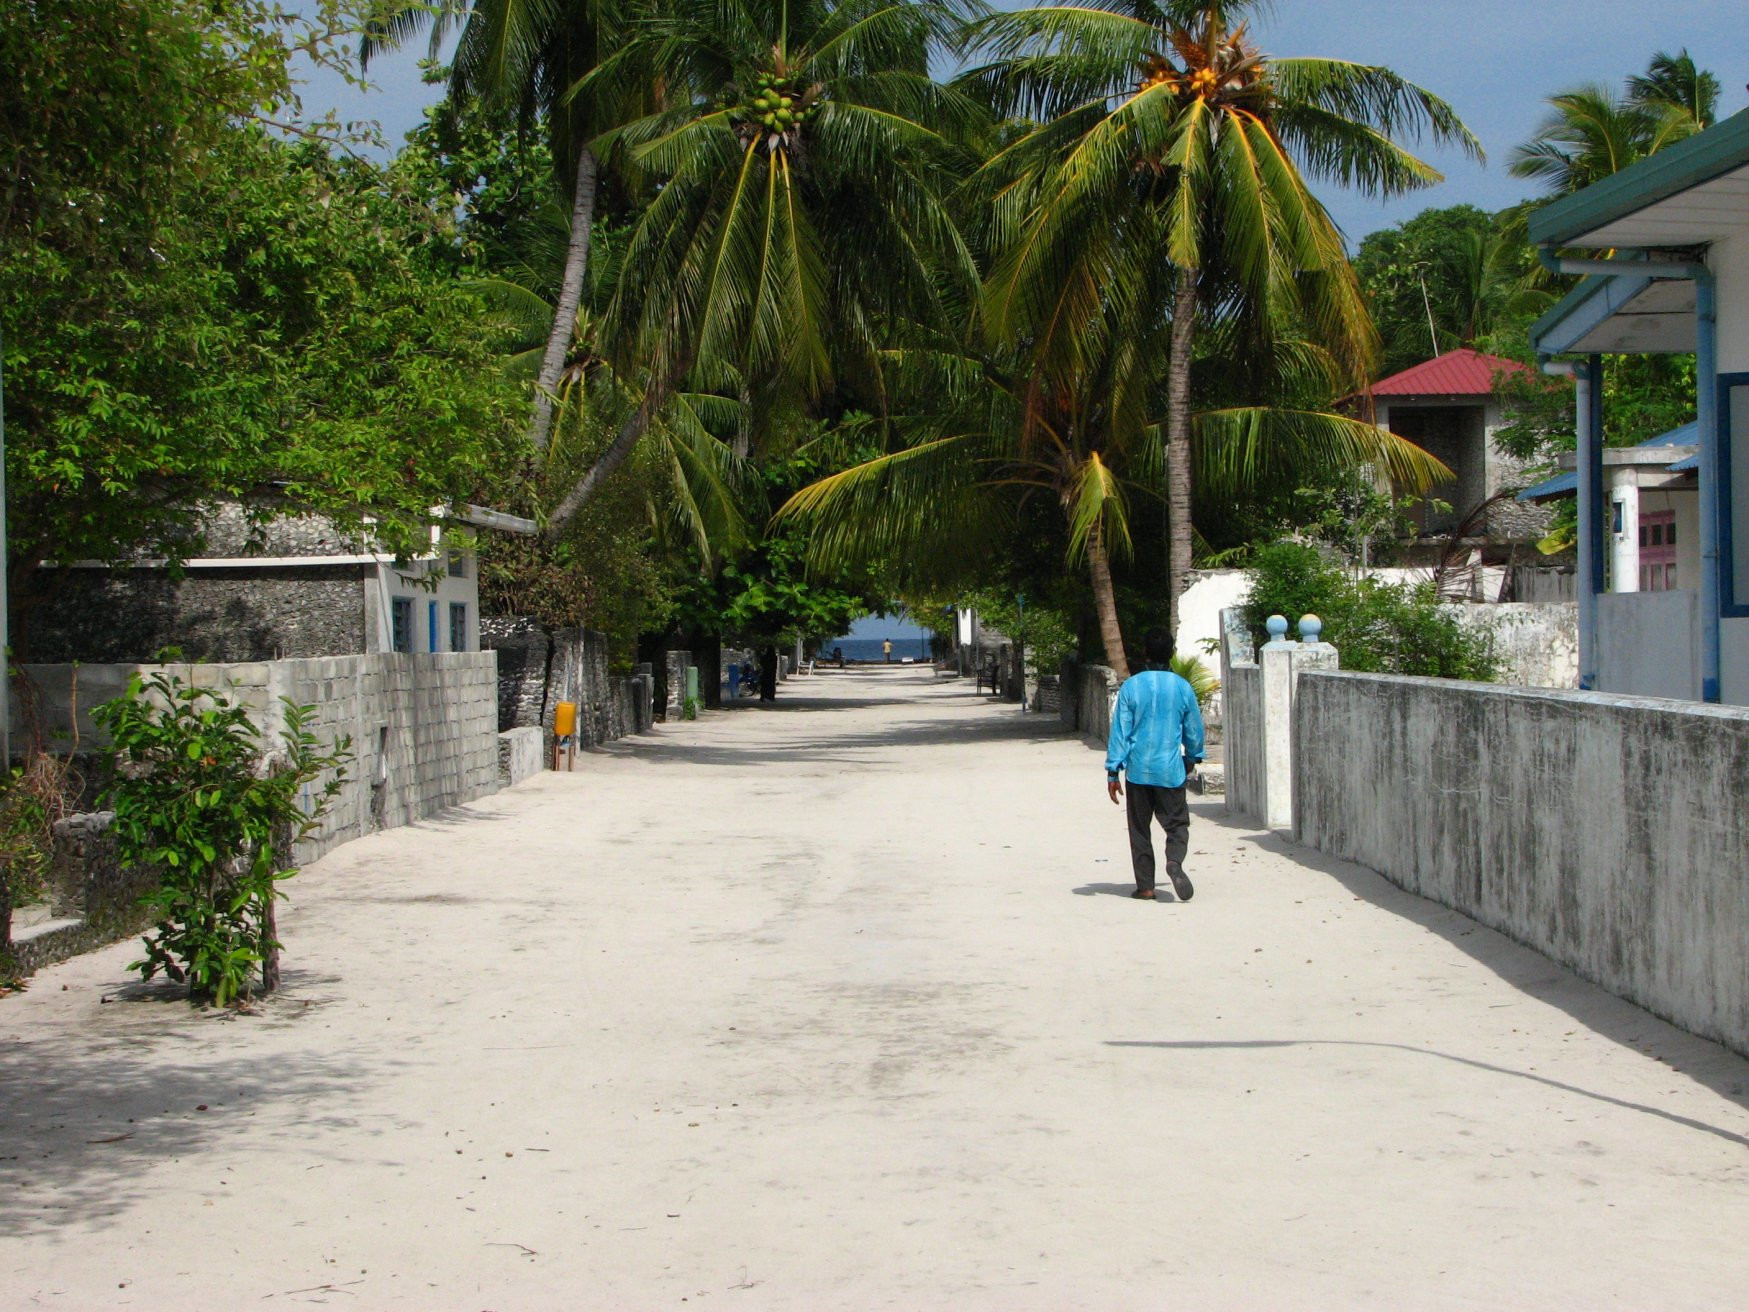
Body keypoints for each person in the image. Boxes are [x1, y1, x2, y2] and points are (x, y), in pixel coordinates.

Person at [1105, 628, 1205, 902]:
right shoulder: (1182, 687)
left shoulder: (1131, 686)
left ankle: (1146, 887)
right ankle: (1174, 861)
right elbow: (1194, 730)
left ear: (1144, 653)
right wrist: (1192, 758)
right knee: (1177, 825)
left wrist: (1113, 771)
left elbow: (1120, 731)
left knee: (1139, 829)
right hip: (1170, 770)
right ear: (1171, 653)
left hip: (1137, 771)